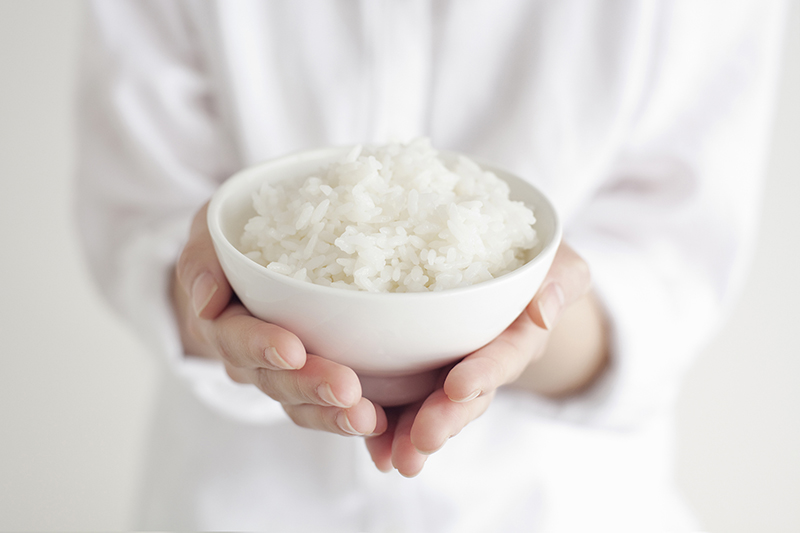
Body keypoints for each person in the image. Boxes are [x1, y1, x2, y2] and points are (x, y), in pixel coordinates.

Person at [75, 0, 787, 531]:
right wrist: (218, 310)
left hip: (558, 501)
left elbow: (674, 259)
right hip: (243, 498)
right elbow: (142, 215)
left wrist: (529, 323)